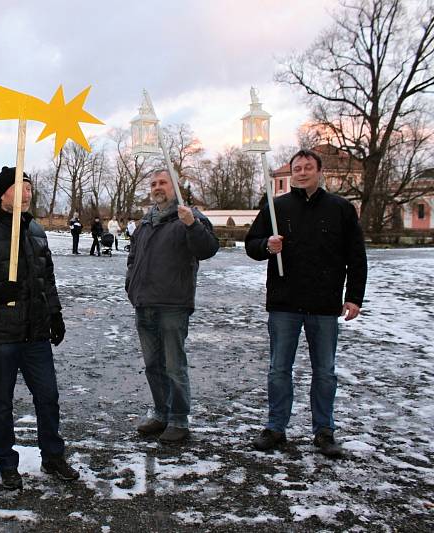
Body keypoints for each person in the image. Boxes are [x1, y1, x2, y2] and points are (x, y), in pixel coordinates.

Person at [0, 166, 79, 490]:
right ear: (3, 193)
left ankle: (52, 455)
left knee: (48, 396)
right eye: (20, 187)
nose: (27, 193)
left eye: (29, 187)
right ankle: (6, 461)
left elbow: (46, 280)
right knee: (2, 402)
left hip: (35, 333)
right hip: (0, 336)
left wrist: (55, 314)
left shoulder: (37, 232)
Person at [245, 149, 367, 458]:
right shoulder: (276, 207)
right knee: (278, 369)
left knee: (324, 371)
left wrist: (353, 296)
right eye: (296, 168)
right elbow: (251, 245)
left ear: (319, 171)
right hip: (285, 302)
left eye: (307, 167)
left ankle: (324, 431)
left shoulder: (341, 209)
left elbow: (356, 257)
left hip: (324, 304)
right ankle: (275, 428)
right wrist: (266, 246)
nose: (301, 172)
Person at [126, 170, 219, 444]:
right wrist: (131, 284)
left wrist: (192, 225)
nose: (157, 188)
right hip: (144, 303)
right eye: (153, 183)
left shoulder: (189, 217)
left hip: (173, 304)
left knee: (173, 366)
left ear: (175, 187)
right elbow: (133, 258)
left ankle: (179, 418)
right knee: (153, 365)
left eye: (163, 183)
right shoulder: (145, 222)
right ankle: (161, 412)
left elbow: (208, 249)